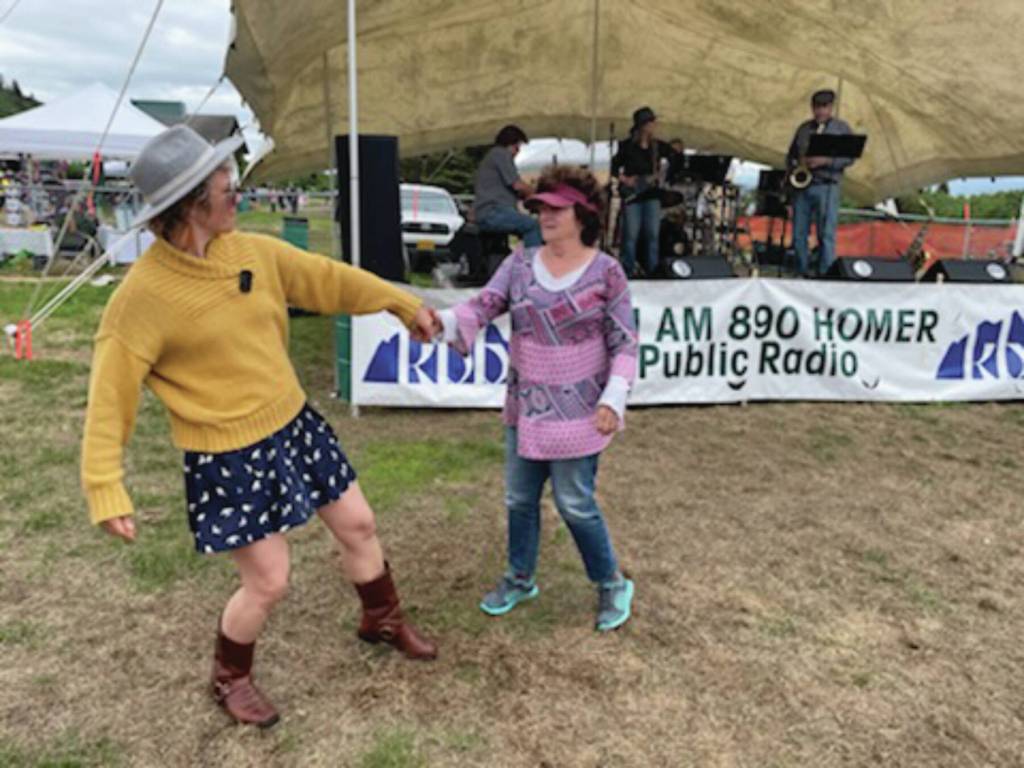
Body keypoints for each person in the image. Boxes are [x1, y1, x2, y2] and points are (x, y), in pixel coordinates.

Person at [80, 125, 439, 729]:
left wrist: (400, 302)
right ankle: (230, 677)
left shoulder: (254, 252)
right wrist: (103, 484)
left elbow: (329, 279)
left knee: (360, 524)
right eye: (227, 185)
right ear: (192, 202)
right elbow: (109, 395)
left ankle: (381, 618)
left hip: (293, 425)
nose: (237, 194)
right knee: (269, 581)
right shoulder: (140, 299)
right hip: (226, 456)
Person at [436, 164, 638, 632]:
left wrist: (614, 397)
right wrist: (442, 324)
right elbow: (484, 305)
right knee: (518, 499)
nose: (544, 215)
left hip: (581, 411)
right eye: (540, 207)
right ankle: (520, 577)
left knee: (575, 503)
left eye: (556, 207)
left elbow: (625, 343)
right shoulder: (519, 264)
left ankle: (611, 582)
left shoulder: (608, 273)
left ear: (582, 213)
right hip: (525, 407)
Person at [786, 89, 855, 276]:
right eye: (817, 107)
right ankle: (802, 271)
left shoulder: (841, 129)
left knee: (826, 234)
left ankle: (826, 275)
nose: (820, 111)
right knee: (799, 234)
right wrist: (795, 168)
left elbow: (850, 157)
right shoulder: (803, 129)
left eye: (824, 107)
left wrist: (827, 161)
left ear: (831, 107)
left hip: (827, 186)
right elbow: (791, 156)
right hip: (803, 187)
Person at [611, 106, 674, 277]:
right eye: (651, 122)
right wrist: (625, 179)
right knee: (631, 235)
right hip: (633, 191)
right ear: (643, 125)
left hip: (651, 191)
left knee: (652, 235)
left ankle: (652, 272)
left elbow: (675, 157)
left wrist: (662, 173)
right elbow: (614, 167)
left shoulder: (658, 146)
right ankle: (628, 273)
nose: (654, 125)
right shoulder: (626, 146)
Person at [472, 124, 541, 248]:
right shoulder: (500, 154)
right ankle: (533, 264)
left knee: (525, 226)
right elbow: (517, 185)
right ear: (510, 143)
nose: (518, 152)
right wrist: (539, 194)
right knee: (533, 226)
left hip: (489, 211)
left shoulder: (492, 156)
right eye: (517, 147)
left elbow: (516, 191)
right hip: (493, 212)